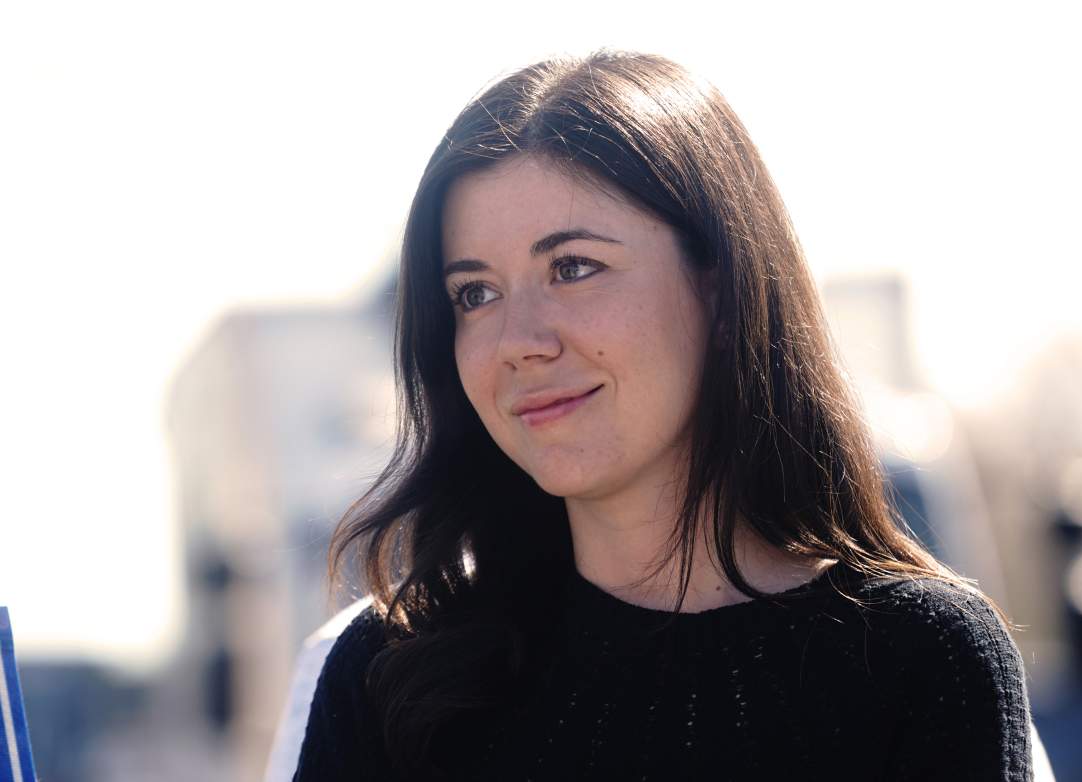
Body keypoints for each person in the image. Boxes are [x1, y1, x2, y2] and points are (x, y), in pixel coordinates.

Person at [293, 50, 1034, 781]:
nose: (519, 342)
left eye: (573, 268)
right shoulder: (387, 681)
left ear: (718, 283)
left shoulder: (923, 662)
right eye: (475, 294)